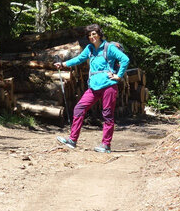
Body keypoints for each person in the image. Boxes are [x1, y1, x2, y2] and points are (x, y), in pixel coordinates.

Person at [54, 24, 129, 153]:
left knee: (107, 115)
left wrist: (118, 76)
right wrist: (63, 64)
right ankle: (72, 140)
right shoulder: (89, 48)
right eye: (89, 35)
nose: (92, 37)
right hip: (94, 87)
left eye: (94, 34)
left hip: (109, 86)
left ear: (99, 34)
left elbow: (125, 59)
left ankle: (106, 145)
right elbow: (79, 59)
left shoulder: (109, 47)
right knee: (79, 108)